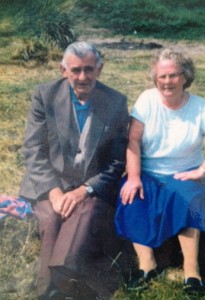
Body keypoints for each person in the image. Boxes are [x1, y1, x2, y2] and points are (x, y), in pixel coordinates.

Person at [115, 48, 205, 296]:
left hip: (185, 172)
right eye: (162, 76)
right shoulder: (147, 100)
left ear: (185, 77)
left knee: (185, 199)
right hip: (148, 171)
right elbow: (133, 140)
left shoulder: (200, 107)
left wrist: (203, 169)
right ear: (155, 78)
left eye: (173, 75)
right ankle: (147, 265)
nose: (167, 82)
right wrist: (135, 177)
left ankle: (192, 272)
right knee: (131, 197)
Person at [19, 41, 129, 300]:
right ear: (63, 70)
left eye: (89, 69)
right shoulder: (44, 95)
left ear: (99, 70)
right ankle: (56, 290)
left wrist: (84, 190)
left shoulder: (115, 102)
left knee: (86, 211)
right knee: (51, 217)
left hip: (92, 186)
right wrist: (54, 193)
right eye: (76, 70)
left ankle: (56, 287)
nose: (83, 77)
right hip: (50, 183)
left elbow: (116, 161)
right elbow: (34, 150)